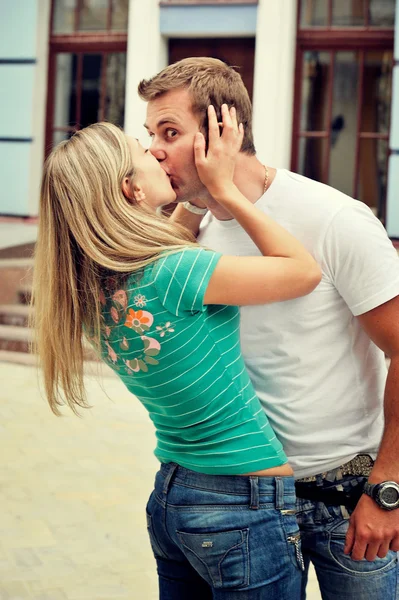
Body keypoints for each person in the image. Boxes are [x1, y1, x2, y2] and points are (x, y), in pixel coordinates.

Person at [138, 57, 399, 599]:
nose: (154, 151)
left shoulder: (333, 219)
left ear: (221, 133)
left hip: (345, 498)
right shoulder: (191, 230)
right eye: (150, 135)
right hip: (241, 504)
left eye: (170, 132)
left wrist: (389, 487)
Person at [32, 112, 321, 599]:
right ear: (131, 190)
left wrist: (192, 195)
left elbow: (167, 243)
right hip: (241, 504)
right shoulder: (177, 272)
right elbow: (302, 271)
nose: (157, 153)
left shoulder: (94, 287)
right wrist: (224, 190)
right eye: (144, 152)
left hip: (175, 498)